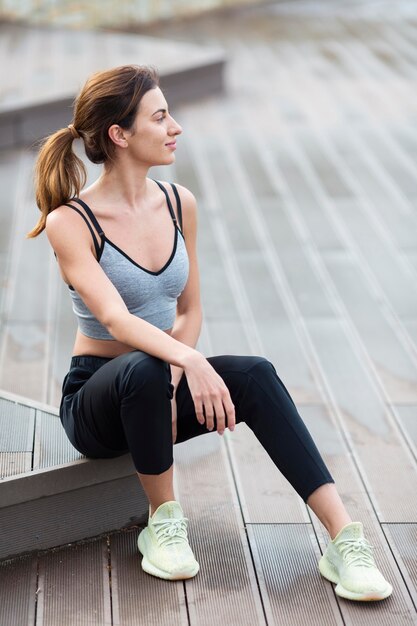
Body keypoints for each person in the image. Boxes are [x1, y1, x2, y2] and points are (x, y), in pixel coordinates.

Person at [28, 64, 392, 601]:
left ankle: (345, 539)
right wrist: (188, 363)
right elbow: (116, 321)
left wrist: (179, 369)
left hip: (160, 382)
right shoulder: (71, 222)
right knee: (145, 366)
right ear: (119, 134)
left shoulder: (179, 203)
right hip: (96, 401)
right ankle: (165, 523)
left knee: (255, 375)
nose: (175, 126)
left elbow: (191, 308)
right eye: (160, 116)